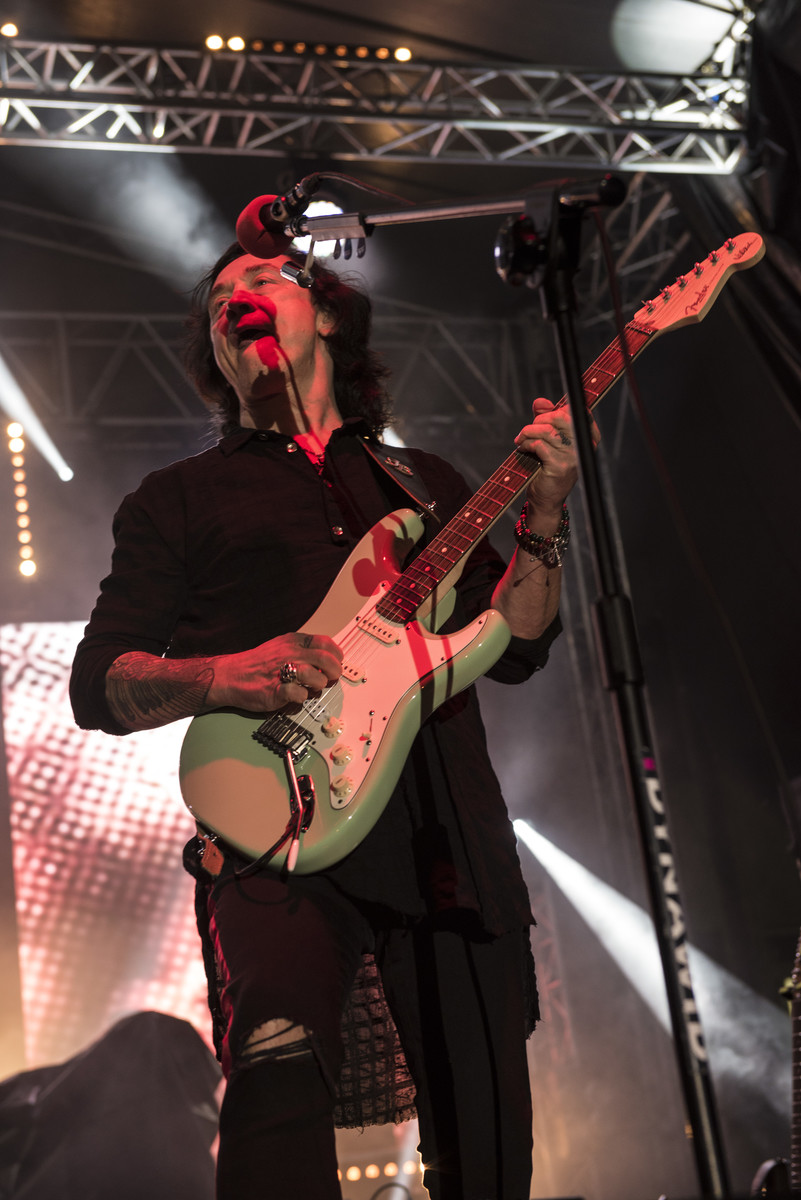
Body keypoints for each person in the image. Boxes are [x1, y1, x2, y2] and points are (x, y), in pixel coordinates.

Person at [70, 233, 596, 1200]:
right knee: (274, 1083)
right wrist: (226, 674)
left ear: (325, 316)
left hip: (449, 840)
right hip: (275, 826)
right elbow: (100, 681)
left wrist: (546, 517)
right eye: (218, 300)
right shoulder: (175, 499)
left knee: (483, 1143)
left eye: (262, 278)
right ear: (216, 354)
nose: (235, 297)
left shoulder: (426, 482)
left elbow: (519, 645)